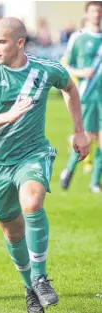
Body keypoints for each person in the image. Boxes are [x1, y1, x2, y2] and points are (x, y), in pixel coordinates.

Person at [0, 17, 89, 313]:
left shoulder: (45, 69)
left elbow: (70, 87)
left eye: (1, 42)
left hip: (33, 154)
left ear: (19, 43)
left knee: (32, 202)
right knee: (11, 230)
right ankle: (30, 288)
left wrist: (79, 131)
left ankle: (41, 277)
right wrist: (7, 116)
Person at [60, 1, 102, 193]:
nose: (97, 15)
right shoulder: (78, 37)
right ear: (87, 14)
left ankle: (95, 182)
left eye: (99, 12)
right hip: (87, 95)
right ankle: (69, 169)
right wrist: (82, 72)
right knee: (85, 137)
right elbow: (66, 66)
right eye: (94, 12)